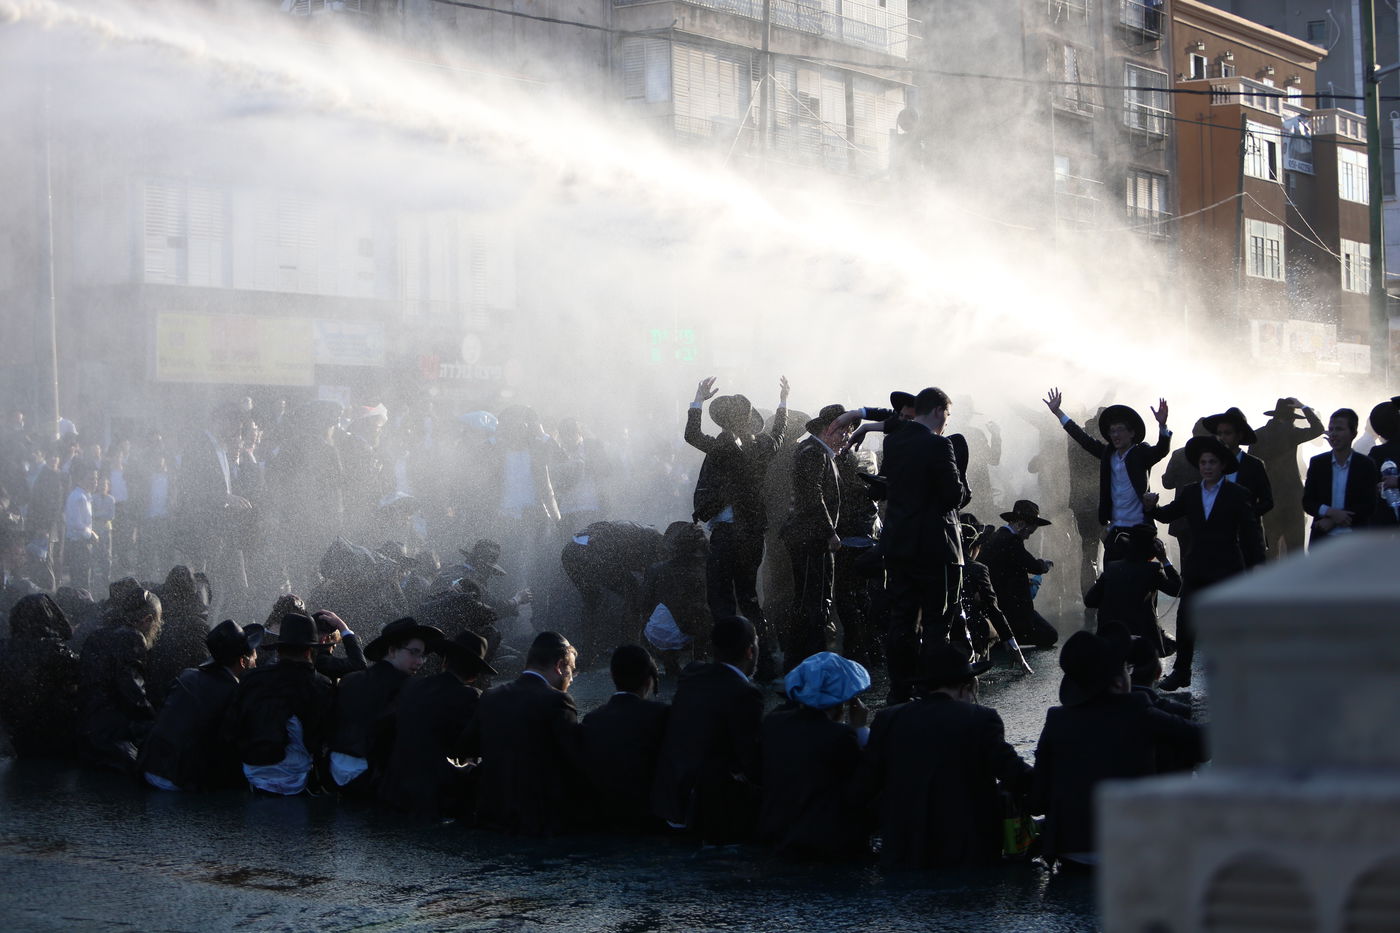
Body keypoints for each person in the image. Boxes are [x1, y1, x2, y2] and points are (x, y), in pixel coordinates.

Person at [1031, 624, 1206, 868]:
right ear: (1117, 683)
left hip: (1071, 851)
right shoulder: (1137, 709)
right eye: (1126, 669)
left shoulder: (1057, 719)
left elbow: (1038, 797)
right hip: (1131, 850)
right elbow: (1203, 742)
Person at [855, 642, 1032, 869]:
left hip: (904, 850)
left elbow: (864, 786)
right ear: (966, 686)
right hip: (969, 851)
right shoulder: (981, 719)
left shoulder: (888, 719)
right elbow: (1014, 773)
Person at [685, 377, 789, 677]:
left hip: (728, 534)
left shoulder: (723, 447)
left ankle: (728, 664)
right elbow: (779, 432)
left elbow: (692, 435)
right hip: (753, 534)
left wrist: (698, 400)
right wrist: (783, 400)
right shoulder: (762, 446)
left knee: (720, 600)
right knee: (749, 599)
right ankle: (766, 662)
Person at [1144, 435, 1265, 691]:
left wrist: (1258, 569)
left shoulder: (1237, 494)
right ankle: (1181, 671)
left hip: (1228, 566)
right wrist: (1151, 508)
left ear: (1222, 465)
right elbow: (1168, 515)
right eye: (1203, 463)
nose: (1207, 467)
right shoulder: (1191, 492)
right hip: (1197, 564)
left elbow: (1251, 534)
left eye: (1212, 462)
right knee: (1185, 618)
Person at [880, 387, 969, 703]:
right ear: (938, 411)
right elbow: (953, 497)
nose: (946, 421)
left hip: (899, 546)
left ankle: (899, 689)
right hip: (935, 547)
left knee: (901, 621)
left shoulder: (893, 443)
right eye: (947, 414)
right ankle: (932, 689)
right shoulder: (939, 444)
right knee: (936, 622)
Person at [651, 616, 765, 844]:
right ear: (750, 652)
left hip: (668, 803)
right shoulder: (746, 694)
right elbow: (752, 763)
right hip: (706, 814)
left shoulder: (692, 674)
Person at [463, 631, 585, 836]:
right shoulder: (558, 701)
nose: (571, 679)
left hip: (490, 816)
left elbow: (466, 746)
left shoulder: (491, 696)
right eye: (570, 670)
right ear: (559, 666)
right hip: (537, 822)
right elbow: (576, 762)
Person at [758, 652, 871, 860]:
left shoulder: (773, 724)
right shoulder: (841, 737)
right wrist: (860, 729)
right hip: (825, 846)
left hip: (776, 837)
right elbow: (862, 790)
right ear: (843, 701)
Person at [376, 629, 496, 819]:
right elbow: (471, 745)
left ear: (444, 662)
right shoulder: (470, 697)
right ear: (474, 675)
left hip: (392, 788)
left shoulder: (412, 685)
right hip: (432, 797)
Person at [138, 619, 264, 791]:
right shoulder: (235, 694)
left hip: (149, 767)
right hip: (180, 782)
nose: (256, 662)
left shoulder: (188, 676)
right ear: (243, 662)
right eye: (254, 657)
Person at [1044, 388, 1171, 557]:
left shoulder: (1141, 453)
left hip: (1140, 527)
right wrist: (1058, 412)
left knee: (1139, 573)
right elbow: (1082, 438)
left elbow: (1162, 450)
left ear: (1132, 433)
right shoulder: (1107, 454)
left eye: (1120, 430)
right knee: (1114, 572)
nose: (1115, 435)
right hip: (1116, 528)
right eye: (1112, 431)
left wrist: (1162, 425)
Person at [326, 617, 441, 795]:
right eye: (414, 653)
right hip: (374, 779)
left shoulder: (350, 680)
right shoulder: (411, 688)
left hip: (332, 774)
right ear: (393, 650)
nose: (420, 661)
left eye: (423, 656)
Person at [227, 611, 335, 796]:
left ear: (279, 650)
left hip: (251, 773)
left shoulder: (251, 679)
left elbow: (231, 727)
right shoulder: (320, 686)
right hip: (297, 780)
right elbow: (325, 738)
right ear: (309, 651)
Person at [778, 404, 849, 673]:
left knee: (811, 602)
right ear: (827, 429)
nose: (846, 436)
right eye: (843, 430)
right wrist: (829, 531)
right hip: (810, 539)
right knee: (814, 604)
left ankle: (801, 663)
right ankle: (810, 665)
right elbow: (812, 495)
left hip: (808, 536)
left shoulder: (816, 451)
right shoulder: (814, 452)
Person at [580, 644, 671, 833]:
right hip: (650, 821)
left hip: (602, 821)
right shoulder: (661, 715)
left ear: (613, 677)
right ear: (649, 681)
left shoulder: (592, 719)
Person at [76, 586, 163, 773]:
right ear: (147, 620)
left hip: (87, 728)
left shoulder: (98, 634)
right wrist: (155, 720)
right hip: (111, 734)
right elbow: (133, 693)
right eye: (156, 622)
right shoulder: (132, 638)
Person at [0, 593, 79, 759]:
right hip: (56, 733)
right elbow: (80, 677)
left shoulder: (5, 649)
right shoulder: (55, 650)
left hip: (18, 734)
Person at [1083, 525, 1182, 651]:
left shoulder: (1111, 569)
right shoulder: (1152, 571)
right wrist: (1165, 560)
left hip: (1109, 638)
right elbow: (1178, 589)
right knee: (1172, 643)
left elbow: (1089, 601)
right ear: (1153, 551)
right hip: (1142, 640)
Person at [978, 499, 1059, 649]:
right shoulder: (1011, 540)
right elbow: (1033, 565)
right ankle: (1001, 638)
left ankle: (998, 636)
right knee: (1049, 635)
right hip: (1012, 610)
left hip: (998, 606)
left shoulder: (996, 536)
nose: (1027, 536)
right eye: (1029, 531)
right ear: (1020, 524)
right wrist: (1044, 565)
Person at [1250, 397, 1324, 558]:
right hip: (1292, 500)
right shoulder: (1291, 432)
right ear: (1290, 419)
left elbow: (1251, 471)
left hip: (1267, 500)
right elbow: (1318, 428)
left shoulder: (1256, 435)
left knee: (1269, 550)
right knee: (1295, 551)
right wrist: (1304, 407)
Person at [959, 523, 1033, 672]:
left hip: (939, 631)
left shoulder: (940, 567)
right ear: (974, 548)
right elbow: (993, 608)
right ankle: (978, 661)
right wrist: (1014, 647)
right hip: (969, 629)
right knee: (987, 627)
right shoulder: (977, 569)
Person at [1303, 408, 1380, 546]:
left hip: (1355, 541)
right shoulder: (1318, 463)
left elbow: (1369, 504)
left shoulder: (1366, 464)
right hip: (1322, 541)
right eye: (1331, 429)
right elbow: (1308, 502)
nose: (1333, 434)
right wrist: (1330, 511)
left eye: (1339, 429)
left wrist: (1333, 520)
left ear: (1353, 433)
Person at [1203, 407, 1274, 518]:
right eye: (1219, 433)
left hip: (1246, 532)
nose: (1222, 437)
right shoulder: (1209, 464)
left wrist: (1245, 516)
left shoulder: (1254, 465)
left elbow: (1267, 502)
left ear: (1239, 435)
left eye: (1227, 433)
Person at [62, 460, 100, 590]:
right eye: (91, 479)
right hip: (78, 545)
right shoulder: (78, 497)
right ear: (81, 479)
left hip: (83, 545)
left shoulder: (85, 496)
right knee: (81, 582)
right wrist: (91, 534)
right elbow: (75, 523)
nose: (95, 482)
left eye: (96, 478)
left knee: (85, 579)